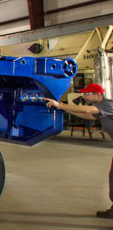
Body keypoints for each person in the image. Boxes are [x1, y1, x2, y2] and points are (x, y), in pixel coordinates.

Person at [43, 83, 113, 219]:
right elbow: (90, 116)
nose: (84, 96)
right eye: (84, 94)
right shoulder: (101, 109)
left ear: (98, 95)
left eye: (88, 94)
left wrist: (60, 105)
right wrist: (66, 110)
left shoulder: (108, 104)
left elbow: (88, 110)